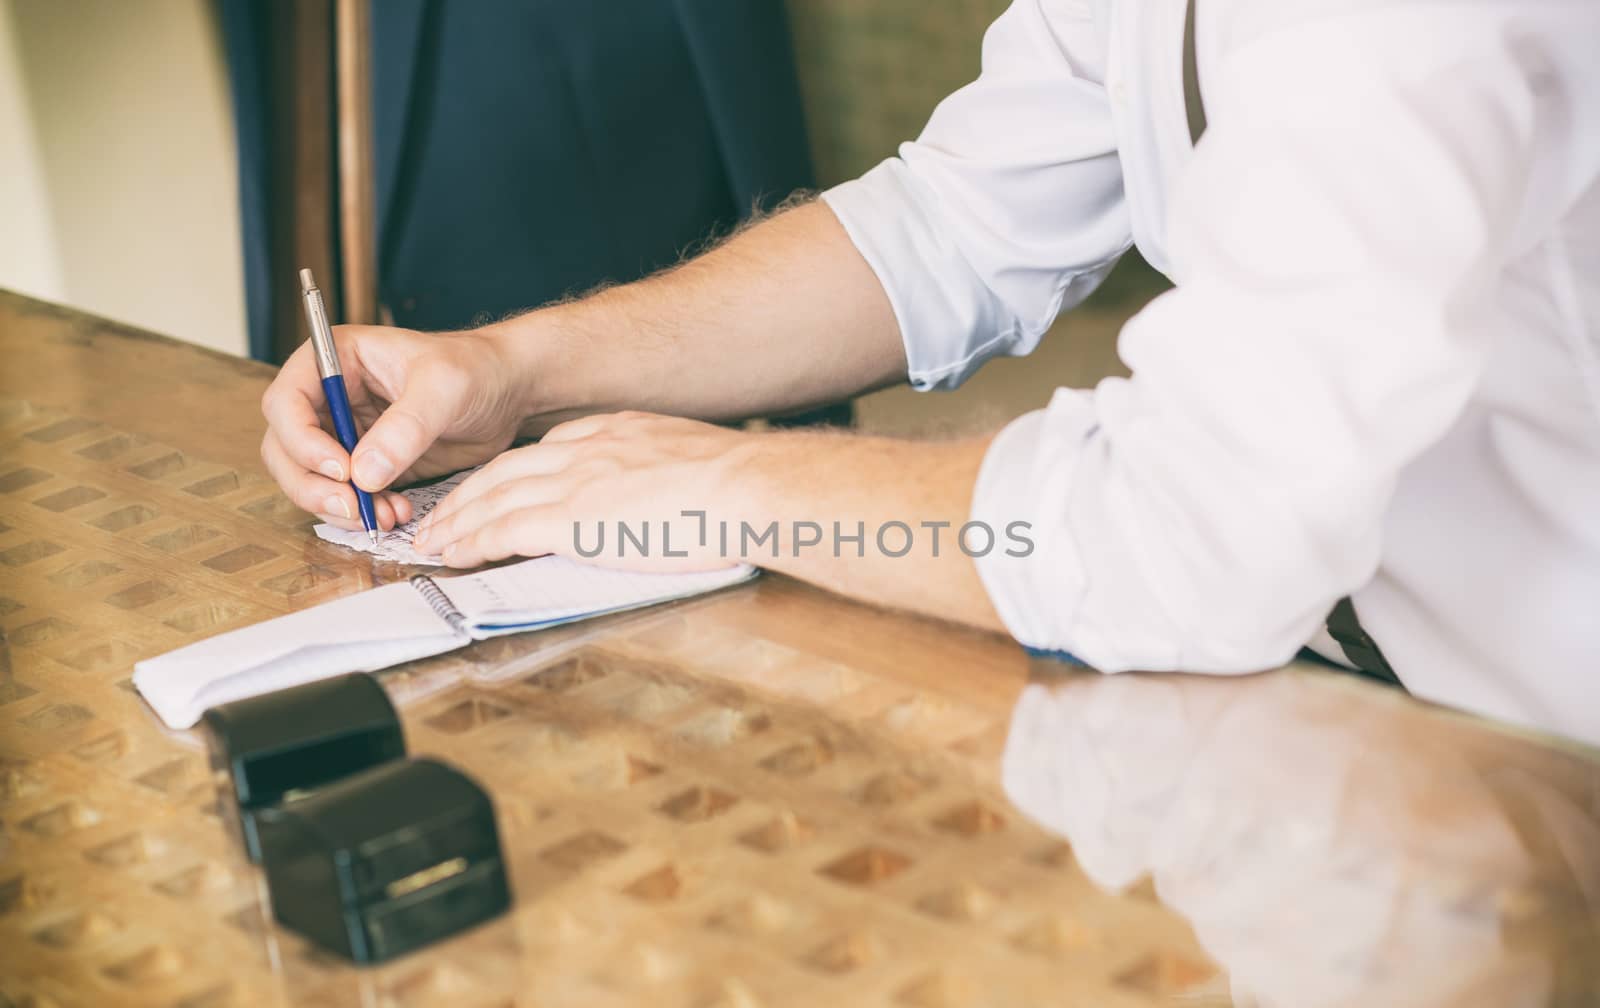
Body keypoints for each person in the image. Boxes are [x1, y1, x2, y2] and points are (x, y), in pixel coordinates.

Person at [260, 0, 1600, 736]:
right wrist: (515, 365)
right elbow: (955, 224)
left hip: (1538, 763)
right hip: (1332, 707)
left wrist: (721, 486)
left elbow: (1186, 537)